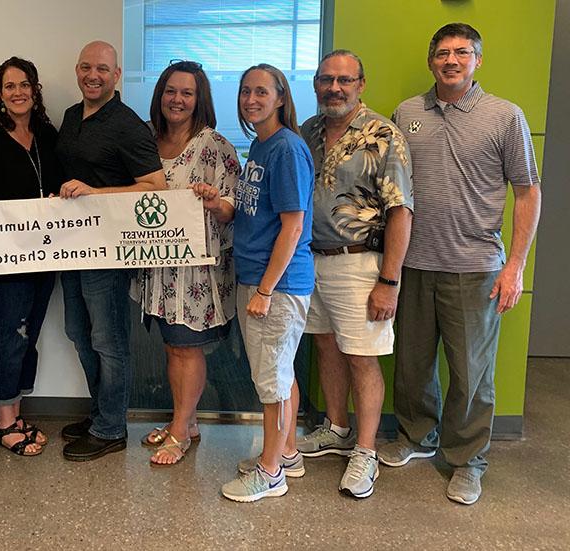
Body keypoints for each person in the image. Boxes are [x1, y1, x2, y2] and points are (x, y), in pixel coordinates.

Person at [383, 23, 541, 505]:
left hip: (475, 267)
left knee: (471, 374)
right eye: (443, 53)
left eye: (462, 52)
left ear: (477, 61)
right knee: (411, 366)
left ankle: (467, 459)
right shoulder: (407, 113)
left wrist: (514, 266)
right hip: (413, 264)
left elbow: (528, 192)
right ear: (432, 60)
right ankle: (416, 436)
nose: (451, 60)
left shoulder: (504, 116)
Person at [296, 50, 413, 499]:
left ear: (361, 84)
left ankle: (365, 450)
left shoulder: (384, 135)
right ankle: (337, 428)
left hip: (360, 262)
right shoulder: (307, 131)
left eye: (345, 80)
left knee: (363, 356)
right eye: (327, 80)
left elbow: (402, 211)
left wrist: (389, 280)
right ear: (316, 84)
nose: (335, 88)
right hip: (311, 258)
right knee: (325, 346)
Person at [55, 40, 167, 462]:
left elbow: (156, 188)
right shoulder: (70, 116)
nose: (93, 75)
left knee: (108, 339)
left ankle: (111, 427)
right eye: (86, 67)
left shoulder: (128, 124)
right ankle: (101, 410)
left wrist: (96, 192)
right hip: (70, 247)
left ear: (116, 75)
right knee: (78, 333)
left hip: (109, 251)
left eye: (102, 68)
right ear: (77, 70)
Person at [135, 61, 240, 466]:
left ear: (199, 100)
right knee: (172, 346)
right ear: (160, 94)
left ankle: (179, 431)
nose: (177, 100)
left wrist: (215, 202)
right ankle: (187, 420)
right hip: (157, 269)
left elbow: (232, 208)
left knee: (185, 349)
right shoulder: (146, 140)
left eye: (187, 93)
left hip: (195, 271)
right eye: (170, 91)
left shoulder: (214, 145)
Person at [221, 64, 314, 503]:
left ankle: (270, 471)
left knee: (272, 383)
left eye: (261, 92)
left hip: (274, 286)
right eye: (245, 92)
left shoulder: (287, 149)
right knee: (280, 373)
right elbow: (255, 214)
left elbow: (292, 227)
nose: (251, 99)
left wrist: (264, 291)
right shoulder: (259, 147)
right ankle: (288, 452)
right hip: (260, 280)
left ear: (280, 98)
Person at [0, 57, 64, 456]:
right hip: (1, 259)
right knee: (10, 336)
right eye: (9, 86)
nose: (18, 92)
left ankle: (16, 411)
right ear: (0, 93)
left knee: (30, 336)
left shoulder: (47, 132)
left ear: (35, 88)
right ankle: (3, 423)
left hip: (44, 256)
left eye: (24, 84)